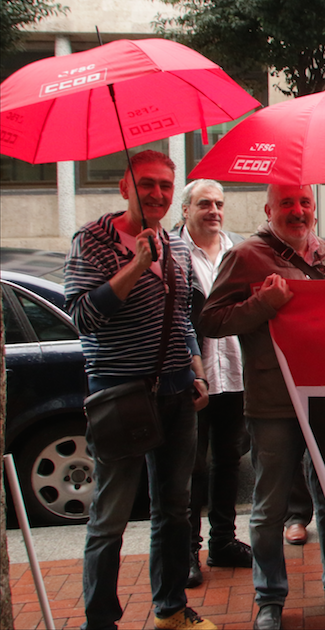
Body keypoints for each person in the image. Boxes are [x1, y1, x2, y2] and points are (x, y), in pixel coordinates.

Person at [200, 184, 325, 630]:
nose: (297, 211)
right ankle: (270, 598)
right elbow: (211, 321)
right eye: (287, 203)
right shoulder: (245, 256)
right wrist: (263, 303)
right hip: (274, 402)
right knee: (269, 508)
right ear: (269, 209)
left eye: (305, 203)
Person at [65, 150, 216, 630]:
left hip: (177, 393)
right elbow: (82, 316)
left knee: (174, 510)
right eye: (146, 184)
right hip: (121, 395)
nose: (157, 194)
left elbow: (183, 318)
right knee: (110, 518)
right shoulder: (92, 240)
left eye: (165, 186)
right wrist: (135, 266)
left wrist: (196, 369)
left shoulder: (174, 245)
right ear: (124, 188)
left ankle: (171, 609)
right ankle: (100, 621)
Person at [172, 179, 251, 589]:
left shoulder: (238, 250)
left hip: (235, 372)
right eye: (204, 204)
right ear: (186, 210)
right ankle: (188, 551)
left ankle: (223, 541)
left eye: (219, 203)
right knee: (192, 467)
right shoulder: (172, 252)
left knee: (228, 461)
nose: (214, 211)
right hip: (194, 377)